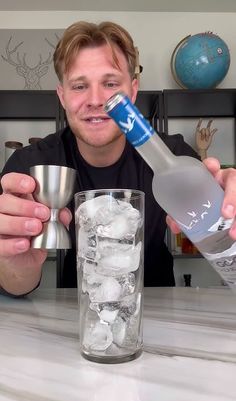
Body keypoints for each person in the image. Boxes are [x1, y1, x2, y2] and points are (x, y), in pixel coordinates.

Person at [0, 21, 236, 297]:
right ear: (62, 97)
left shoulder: (176, 157)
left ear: (132, 92)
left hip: (160, 311)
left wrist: (229, 208)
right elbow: (14, 286)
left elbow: (222, 237)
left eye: (110, 83)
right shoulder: (30, 170)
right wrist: (14, 261)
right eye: (79, 86)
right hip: (78, 320)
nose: (96, 99)